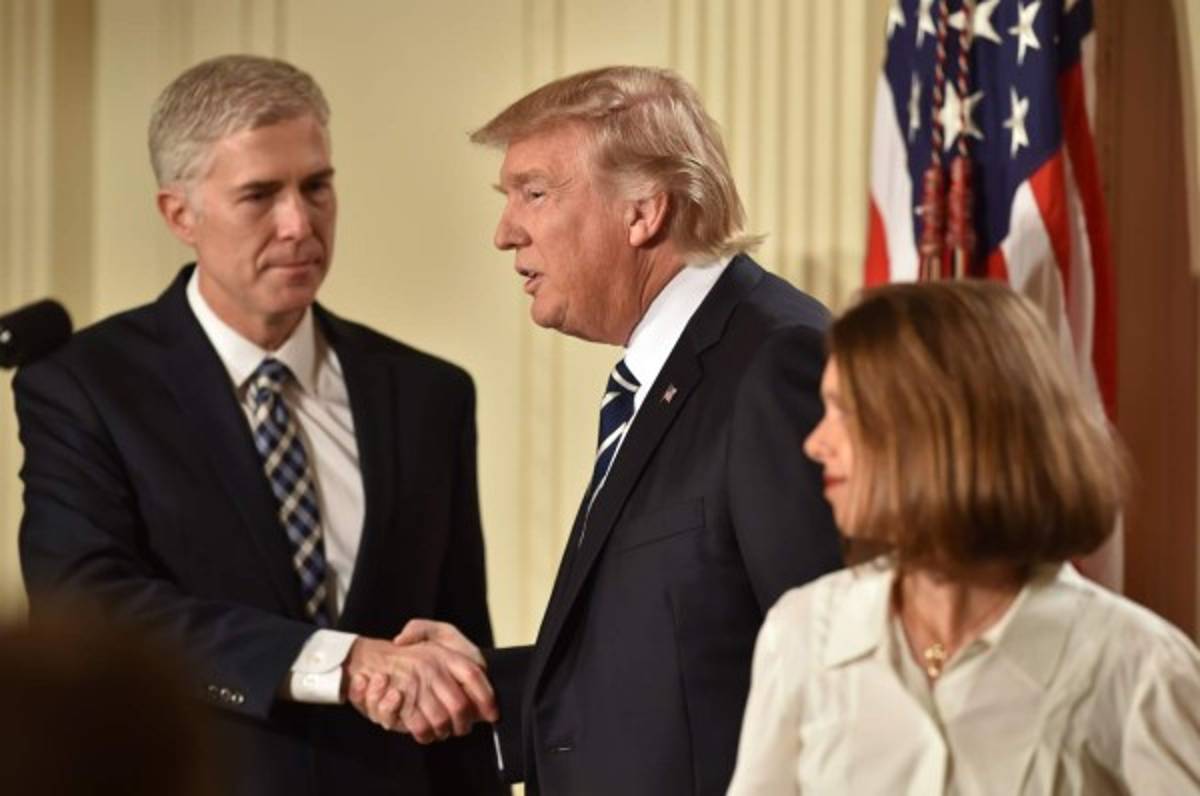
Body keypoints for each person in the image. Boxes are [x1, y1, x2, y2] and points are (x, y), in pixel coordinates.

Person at [14, 54, 504, 796]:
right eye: (259, 195)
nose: (298, 223)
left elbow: (457, 643)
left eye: (317, 186)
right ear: (180, 214)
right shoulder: (85, 386)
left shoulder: (429, 393)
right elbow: (88, 608)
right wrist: (340, 662)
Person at [357, 65, 843, 794]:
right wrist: (481, 682)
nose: (503, 231)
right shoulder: (667, 371)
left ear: (644, 211)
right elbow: (686, 656)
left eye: (535, 193)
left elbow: (833, 667)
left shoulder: (777, 364)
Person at [728, 280, 1200, 794]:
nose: (816, 443)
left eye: (845, 411)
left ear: (940, 429)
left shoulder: (1141, 671)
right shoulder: (800, 635)